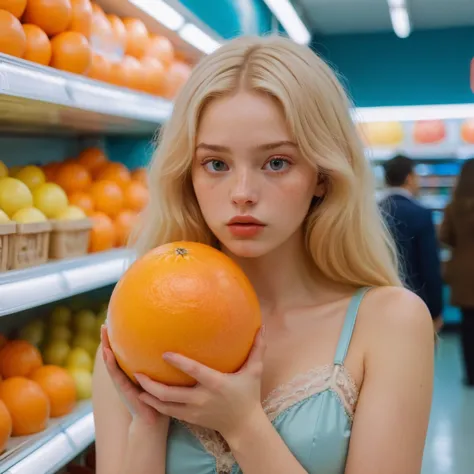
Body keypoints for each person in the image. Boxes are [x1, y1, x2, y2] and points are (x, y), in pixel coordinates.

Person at [93, 36, 434, 474]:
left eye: (276, 162)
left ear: (323, 176)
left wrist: (243, 425)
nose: (242, 194)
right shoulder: (136, 321)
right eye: (216, 164)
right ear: (187, 176)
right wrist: (148, 424)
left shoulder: (390, 323)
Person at [379, 155, 444, 332]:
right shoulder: (421, 214)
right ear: (409, 178)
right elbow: (430, 266)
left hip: (377, 303)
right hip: (415, 302)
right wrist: (436, 310)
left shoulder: (372, 212)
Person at [440, 158, 474, 387]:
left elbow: (444, 238)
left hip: (464, 274)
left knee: (468, 326)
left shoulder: (453, 206)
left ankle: (471, 375)